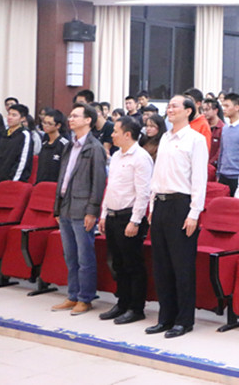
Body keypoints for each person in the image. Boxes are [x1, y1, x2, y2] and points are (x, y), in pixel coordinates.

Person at [145, 95, 208, 339]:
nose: (169, 109)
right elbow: (158, 174)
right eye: (168, 106)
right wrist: (152, 206)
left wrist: (194, 213)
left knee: (182, 266)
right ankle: (165, 318)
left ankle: (183, 321)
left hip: (181, 206)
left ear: (188, 111)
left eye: (174, 106)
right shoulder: (165, 137)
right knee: (161, 266)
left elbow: (199, 179)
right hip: (160, 204)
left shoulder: (196, 140)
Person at [51, 103, 107, 316]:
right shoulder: (69, 145)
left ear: (88, 120)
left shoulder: (94, 148)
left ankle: (85, 298)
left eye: (75, 116)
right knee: (70, 256)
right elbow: (62, 178)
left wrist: (92, 212)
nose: (70, 119)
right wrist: (57, 208)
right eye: (70, 115)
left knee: (85, 257)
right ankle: (72, 295)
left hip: (83, 208)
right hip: (66, 206)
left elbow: (98, 183)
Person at [97, 116, 152, 325]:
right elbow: (110, 187)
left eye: (116, 131)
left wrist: (135, 221)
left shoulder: (141, 157)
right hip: (113, 215)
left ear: (127, 134)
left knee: (133, 265)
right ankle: (122, 303)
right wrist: (104, 214)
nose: (112, 135)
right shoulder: (116, 155)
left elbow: (143, 193)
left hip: (129, 217)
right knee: (118, 264)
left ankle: (136, 308)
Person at [217, 93, 239, 198]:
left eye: (227, 106)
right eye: (223, 106)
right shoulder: (225, 128)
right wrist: (218, 172)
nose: (224, 109)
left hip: (238, 176)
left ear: (237, 107)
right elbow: (222, 151)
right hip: (223, 175)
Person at [0, 103, 33, 182]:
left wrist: (13, 180)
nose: (10, 117)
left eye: (14, 115)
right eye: (9, 114)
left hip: (15, 181)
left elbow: (23, 160)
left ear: (22, 118)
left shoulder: (24, 135)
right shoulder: (4, 133)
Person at [202, 98, 224, 168]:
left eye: (207, 110)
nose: (204, 112)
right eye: (203, 110)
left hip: (214, 166)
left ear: (216, 111)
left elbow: (220, 150)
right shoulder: (203, 126)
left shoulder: (222, 128)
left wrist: (211, 163)